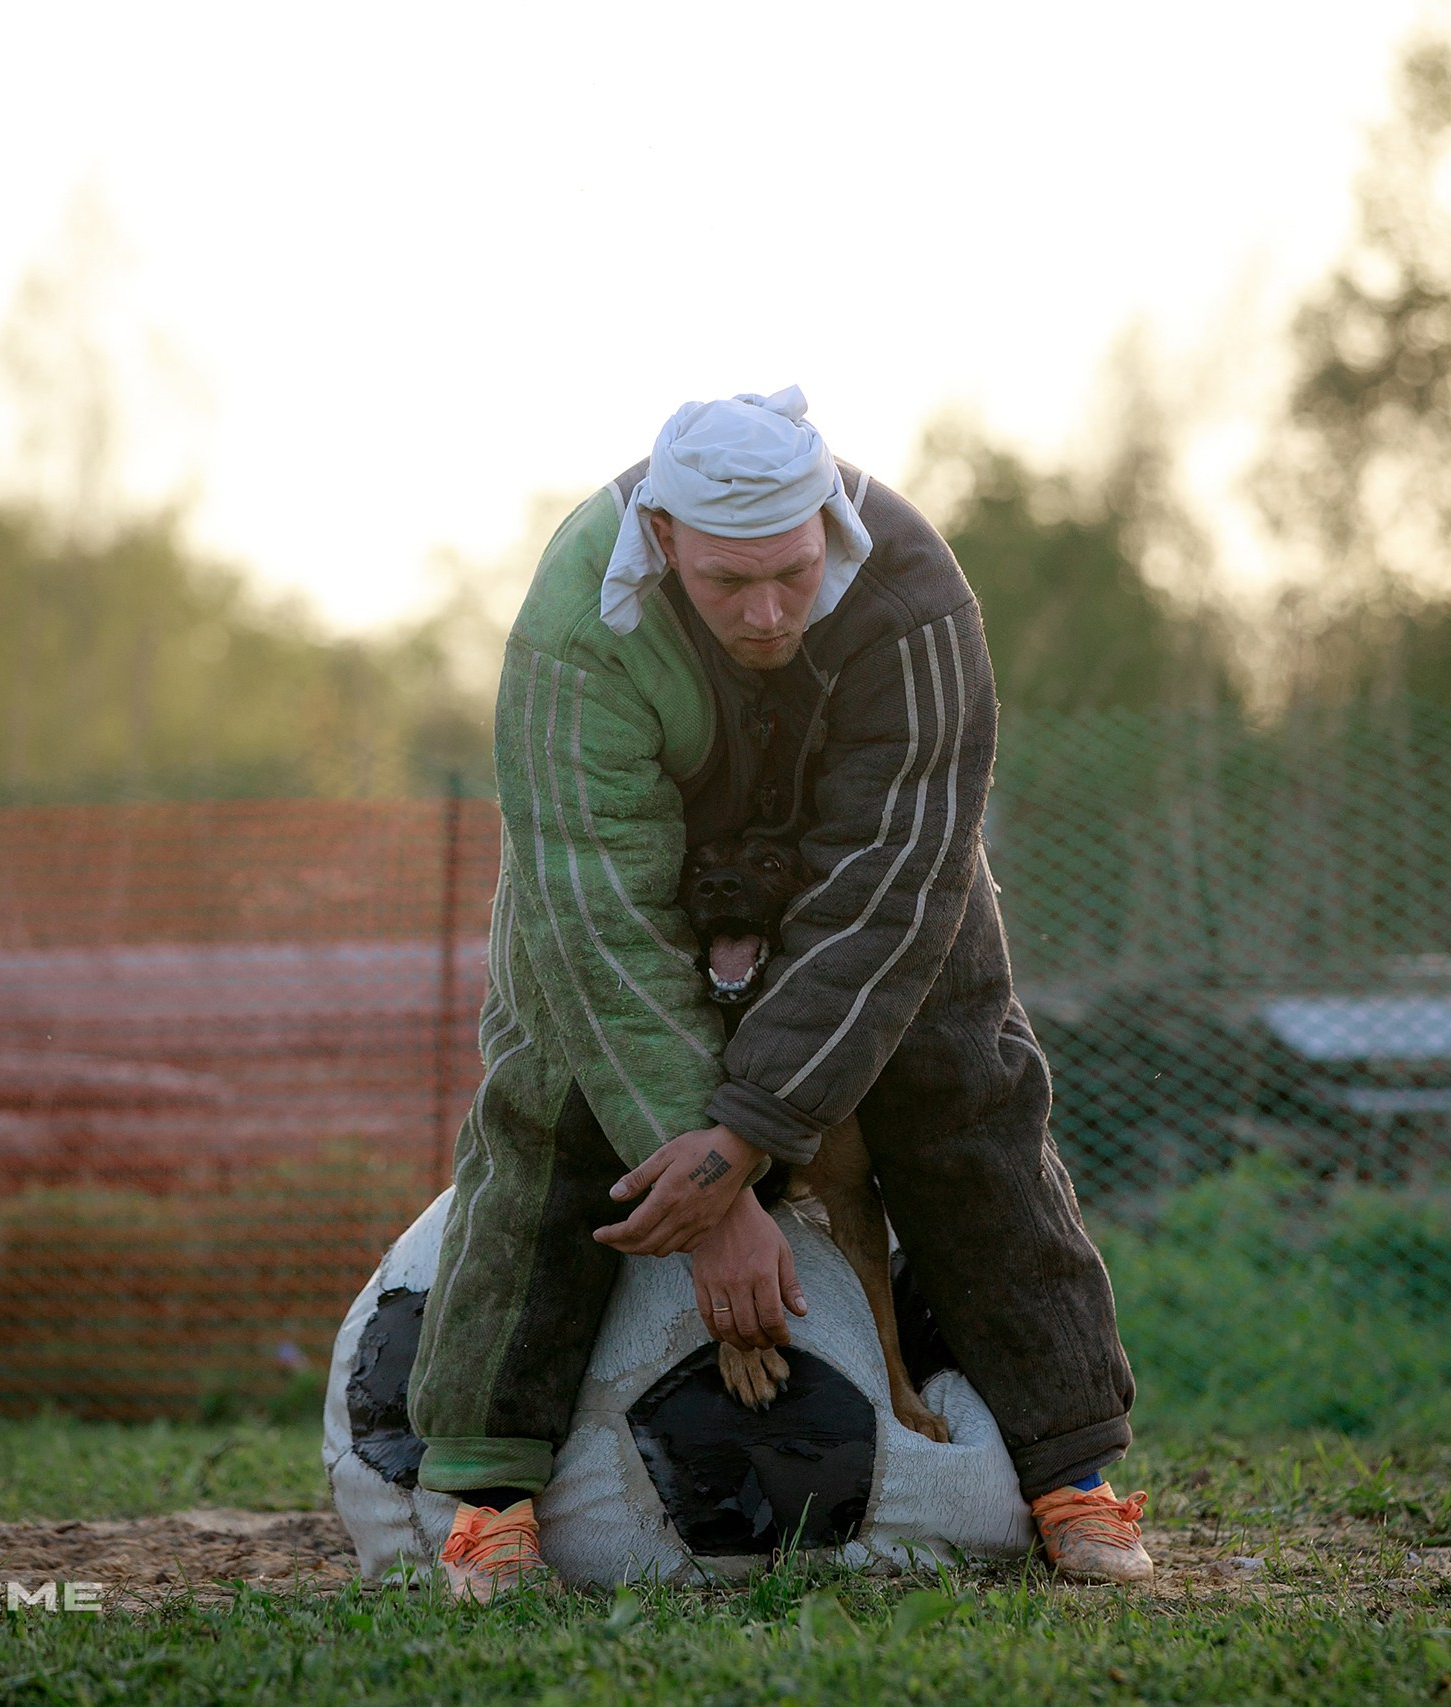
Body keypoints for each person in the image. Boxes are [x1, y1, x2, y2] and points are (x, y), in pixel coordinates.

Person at [410, 388, 1148, 1600]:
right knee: (550, 1098)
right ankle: (489, 1502)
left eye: (793, 575)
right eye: (724, 584)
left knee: (967, 1085)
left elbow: (892, 881)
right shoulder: (574, 621)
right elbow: (597, 915)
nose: (766, 612)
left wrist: (746, 1140)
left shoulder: (912, 596)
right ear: (660, 541)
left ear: (831, 533)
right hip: (641, 882)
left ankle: (1071, 1475)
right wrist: (710, 1198)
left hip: (866, 872)